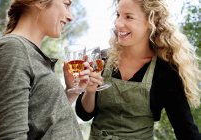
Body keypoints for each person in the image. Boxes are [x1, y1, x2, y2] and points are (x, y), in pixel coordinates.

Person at [75, 0, 201, 139]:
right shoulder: (101, 59)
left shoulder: (164, 72)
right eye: (118, 15)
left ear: (150, 21)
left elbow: (186, 131)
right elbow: (84, 114)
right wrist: (90, 91)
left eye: (128, 16)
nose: (118, 23)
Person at [0, 0, 93, 139]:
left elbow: (44, 121)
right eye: (66, 4)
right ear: (40, 2)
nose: (70, 17)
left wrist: (70, 93)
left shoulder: (27, 51)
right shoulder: (13, 49)